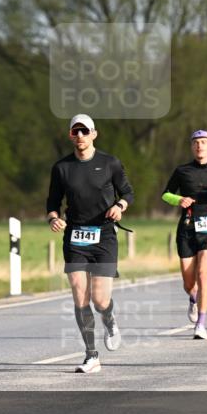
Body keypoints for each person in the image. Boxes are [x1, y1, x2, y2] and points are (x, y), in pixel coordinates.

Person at [47, 114, 134, 373]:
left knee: (99, 299)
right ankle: (91, 354)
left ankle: (109, 319)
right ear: (70, 135)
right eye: (76, 131)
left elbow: (128, 192)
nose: (81, 136)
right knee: (79, 294)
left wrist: (120, 206)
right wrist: (53, 218)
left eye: (85, 131)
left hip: (104, 235)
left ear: (94, 134)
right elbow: (53, 202)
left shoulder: (110, 163)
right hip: (75, 236)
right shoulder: (62, 168)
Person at [161, 130, 207, 340]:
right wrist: (179, 200)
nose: (199, 146)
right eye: (196, 143)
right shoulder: (182, 171)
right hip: (187, 228)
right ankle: (193, 299)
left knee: (203, 275)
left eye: (203, 142)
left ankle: (201, 324)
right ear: (191, 147)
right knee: (188, 282)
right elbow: (165, 194)